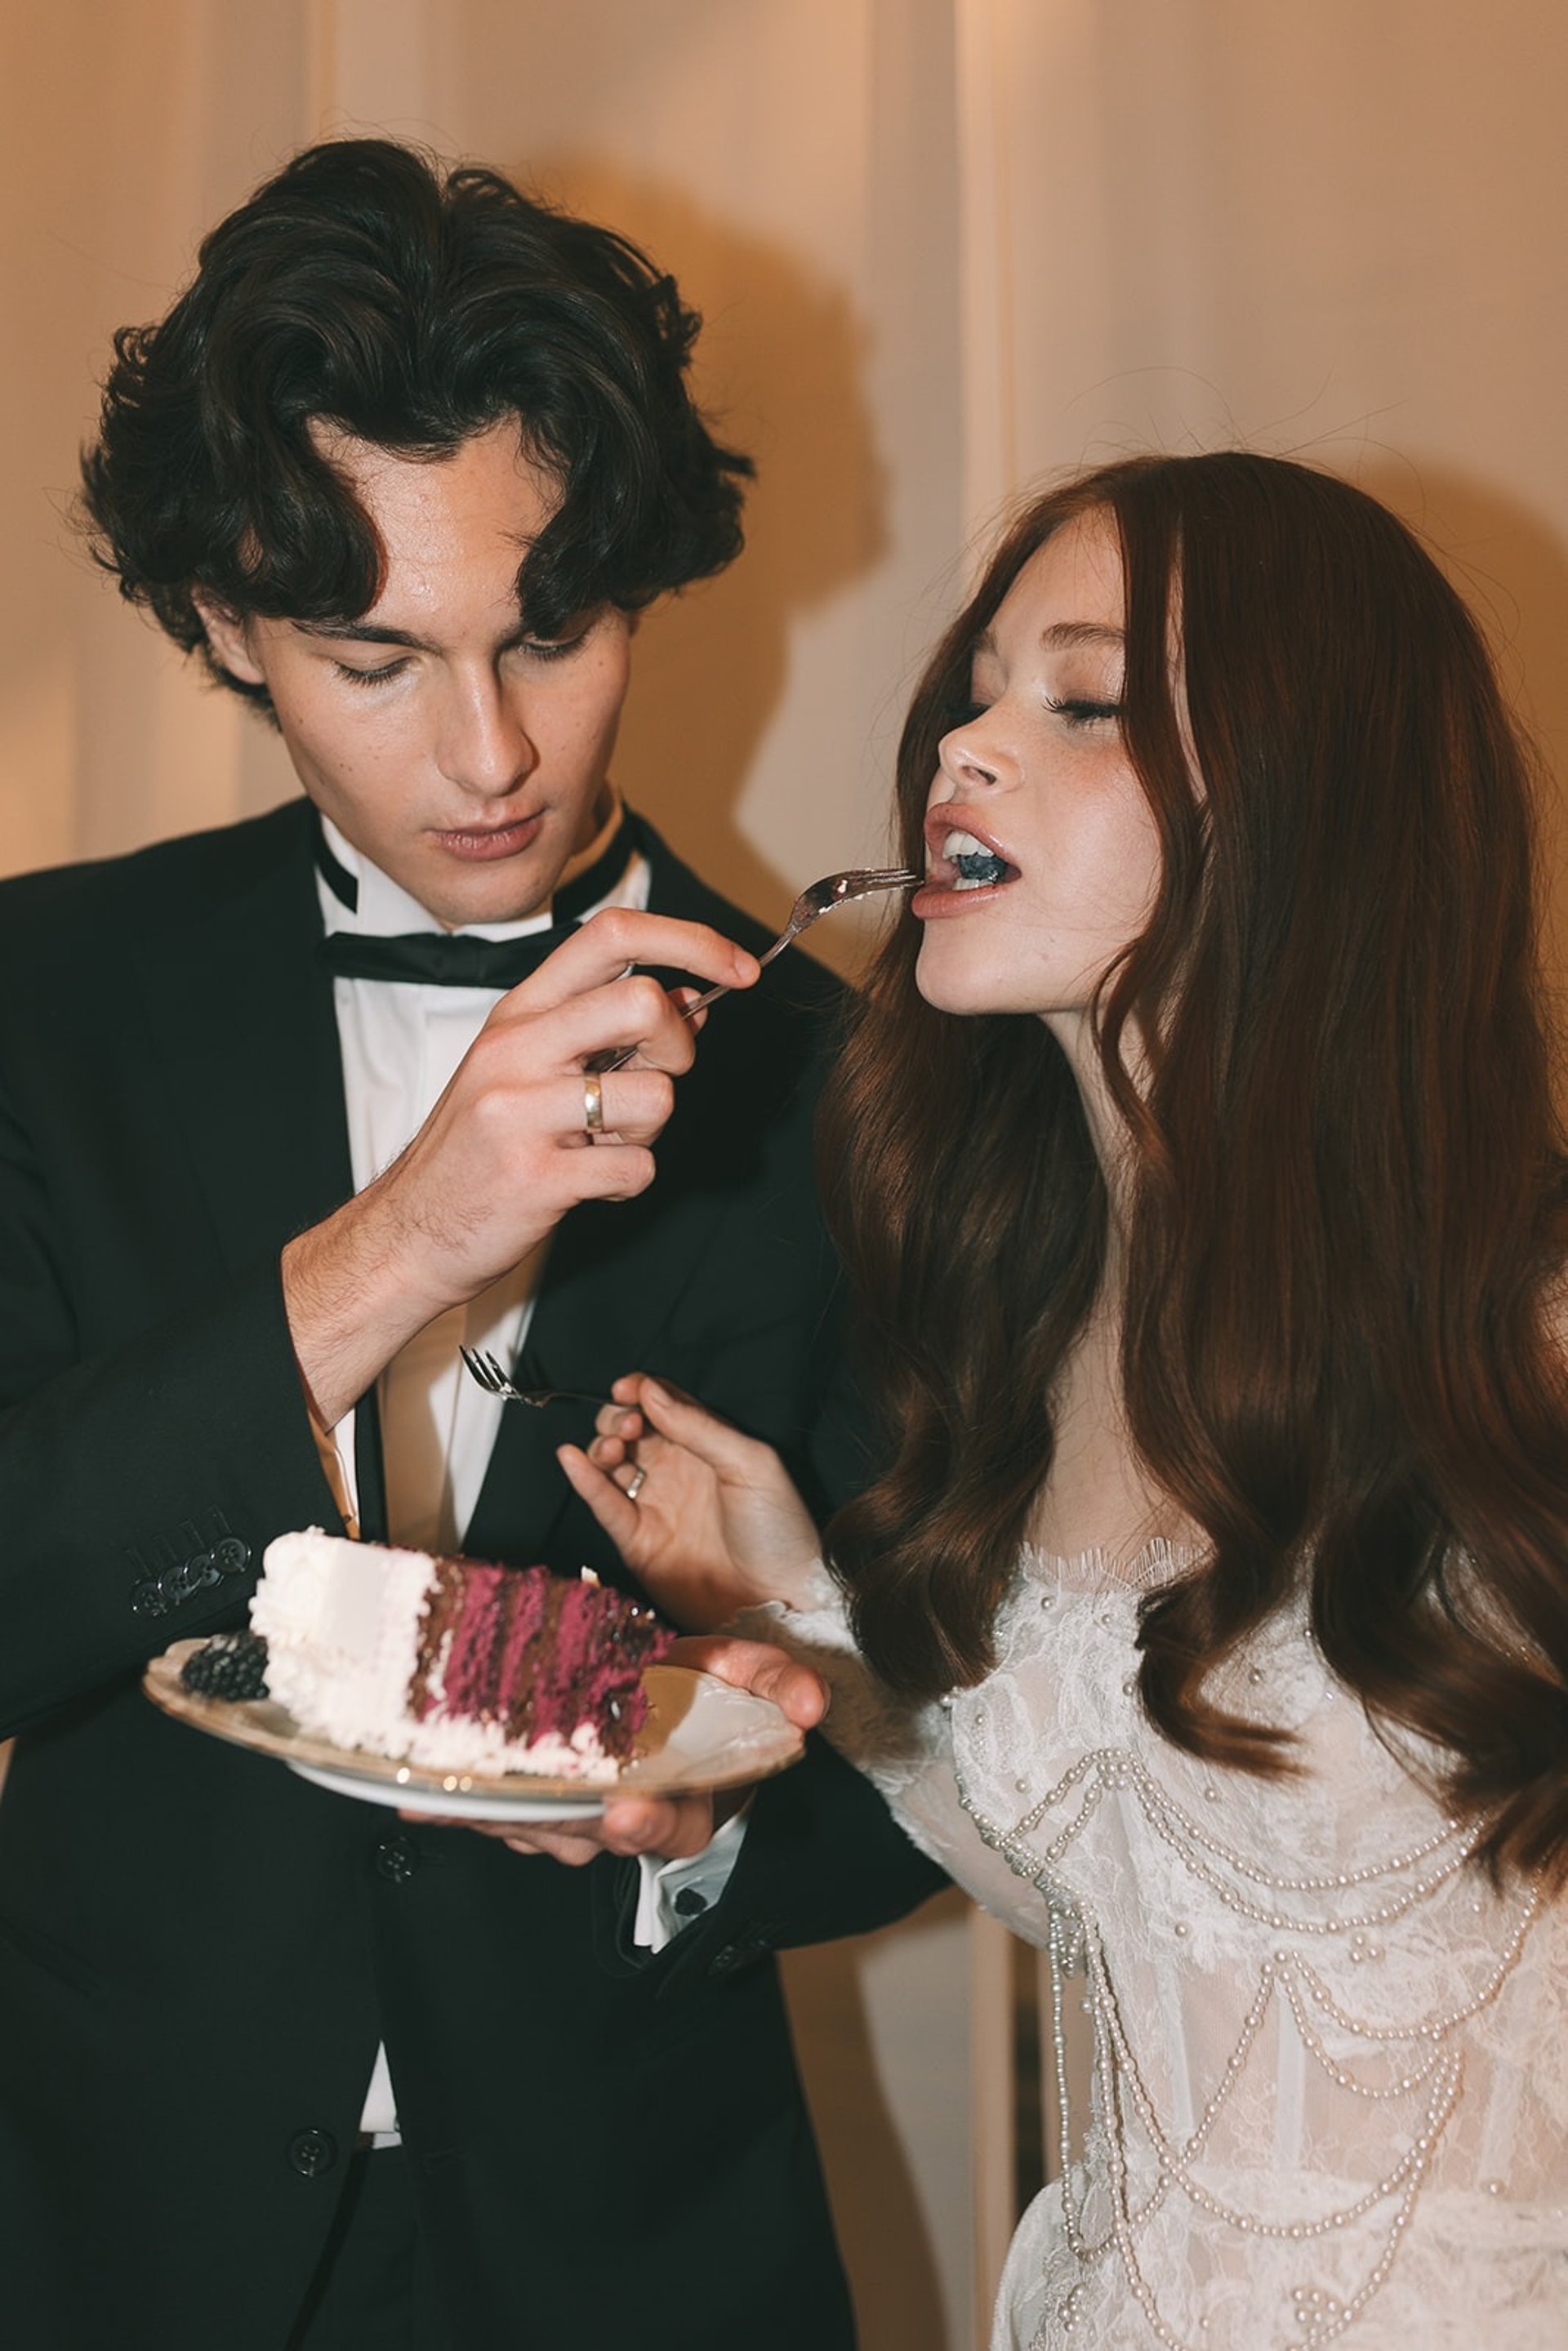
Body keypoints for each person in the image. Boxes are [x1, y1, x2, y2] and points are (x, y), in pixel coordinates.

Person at [0, 139, 943, 2351]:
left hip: (636, 2258)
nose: (492, 751)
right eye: (372, 654)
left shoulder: (855, 1078)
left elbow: (944, 1773)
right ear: (225, 622)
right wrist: (399, 1247)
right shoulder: (47, 1004)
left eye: (554, 628)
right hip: (116, 2247)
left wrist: (698, 1825)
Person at [567, 452, 1568, 2349]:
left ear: (1305, 806)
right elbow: (1138, 1908)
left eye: (1083, 702)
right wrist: (793, 1602)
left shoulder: (1527, 1333)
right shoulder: (1042, 1327)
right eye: (978, 683)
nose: (966, 740)